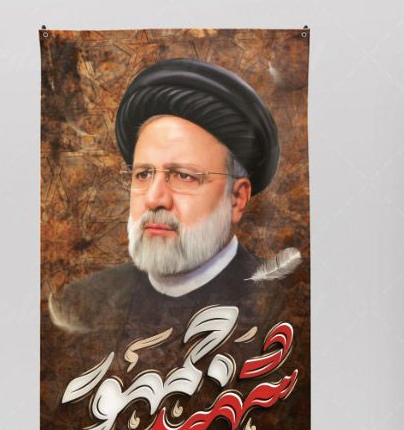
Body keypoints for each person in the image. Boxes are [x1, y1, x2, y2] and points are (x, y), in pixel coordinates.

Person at [48, 58, 301, 337]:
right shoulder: (86, 305)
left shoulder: (287, 306)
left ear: (237, 198)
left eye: (183, 176)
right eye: (144, 174)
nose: (154, 199)